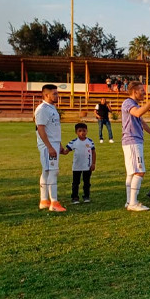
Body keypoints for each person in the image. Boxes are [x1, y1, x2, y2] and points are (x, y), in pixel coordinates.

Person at [121, 82, 150, 211]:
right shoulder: (128, 103)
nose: (144, 92)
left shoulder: (134, 104)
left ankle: (129, 201)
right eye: (141, 90)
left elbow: (142, 123)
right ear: (134, 91)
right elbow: (138, 113)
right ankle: (133, 203)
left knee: (131, 173)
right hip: (132, 141)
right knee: (139, 171)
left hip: (133, 141)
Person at [35, 84, 67, 212]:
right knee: (53, 171)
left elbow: (53, 129)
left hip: (53, 144)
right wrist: (49, 147)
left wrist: (58, 145)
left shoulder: (52, 108)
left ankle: (44, 200)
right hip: (47, 145)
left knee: (47, 171)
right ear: (46, 95)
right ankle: (54, 202)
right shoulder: (42, 109)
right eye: (54, 94)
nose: (57, 96)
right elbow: (40, 128)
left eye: (57, 93)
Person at [61, 123, 96, 204]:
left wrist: (93, 163)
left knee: (87, 182)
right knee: (76, 183)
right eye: (79, 131)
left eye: (84, 131)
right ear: (76, 132)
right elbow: (66, 152)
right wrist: (59, 150)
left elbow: (93, 152)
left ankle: (86, 196)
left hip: (87, 166)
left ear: (87, 131)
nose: (82, 133)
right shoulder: (73, 142)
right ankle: (75, 197)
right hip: (77, 166)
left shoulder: (90, 141)